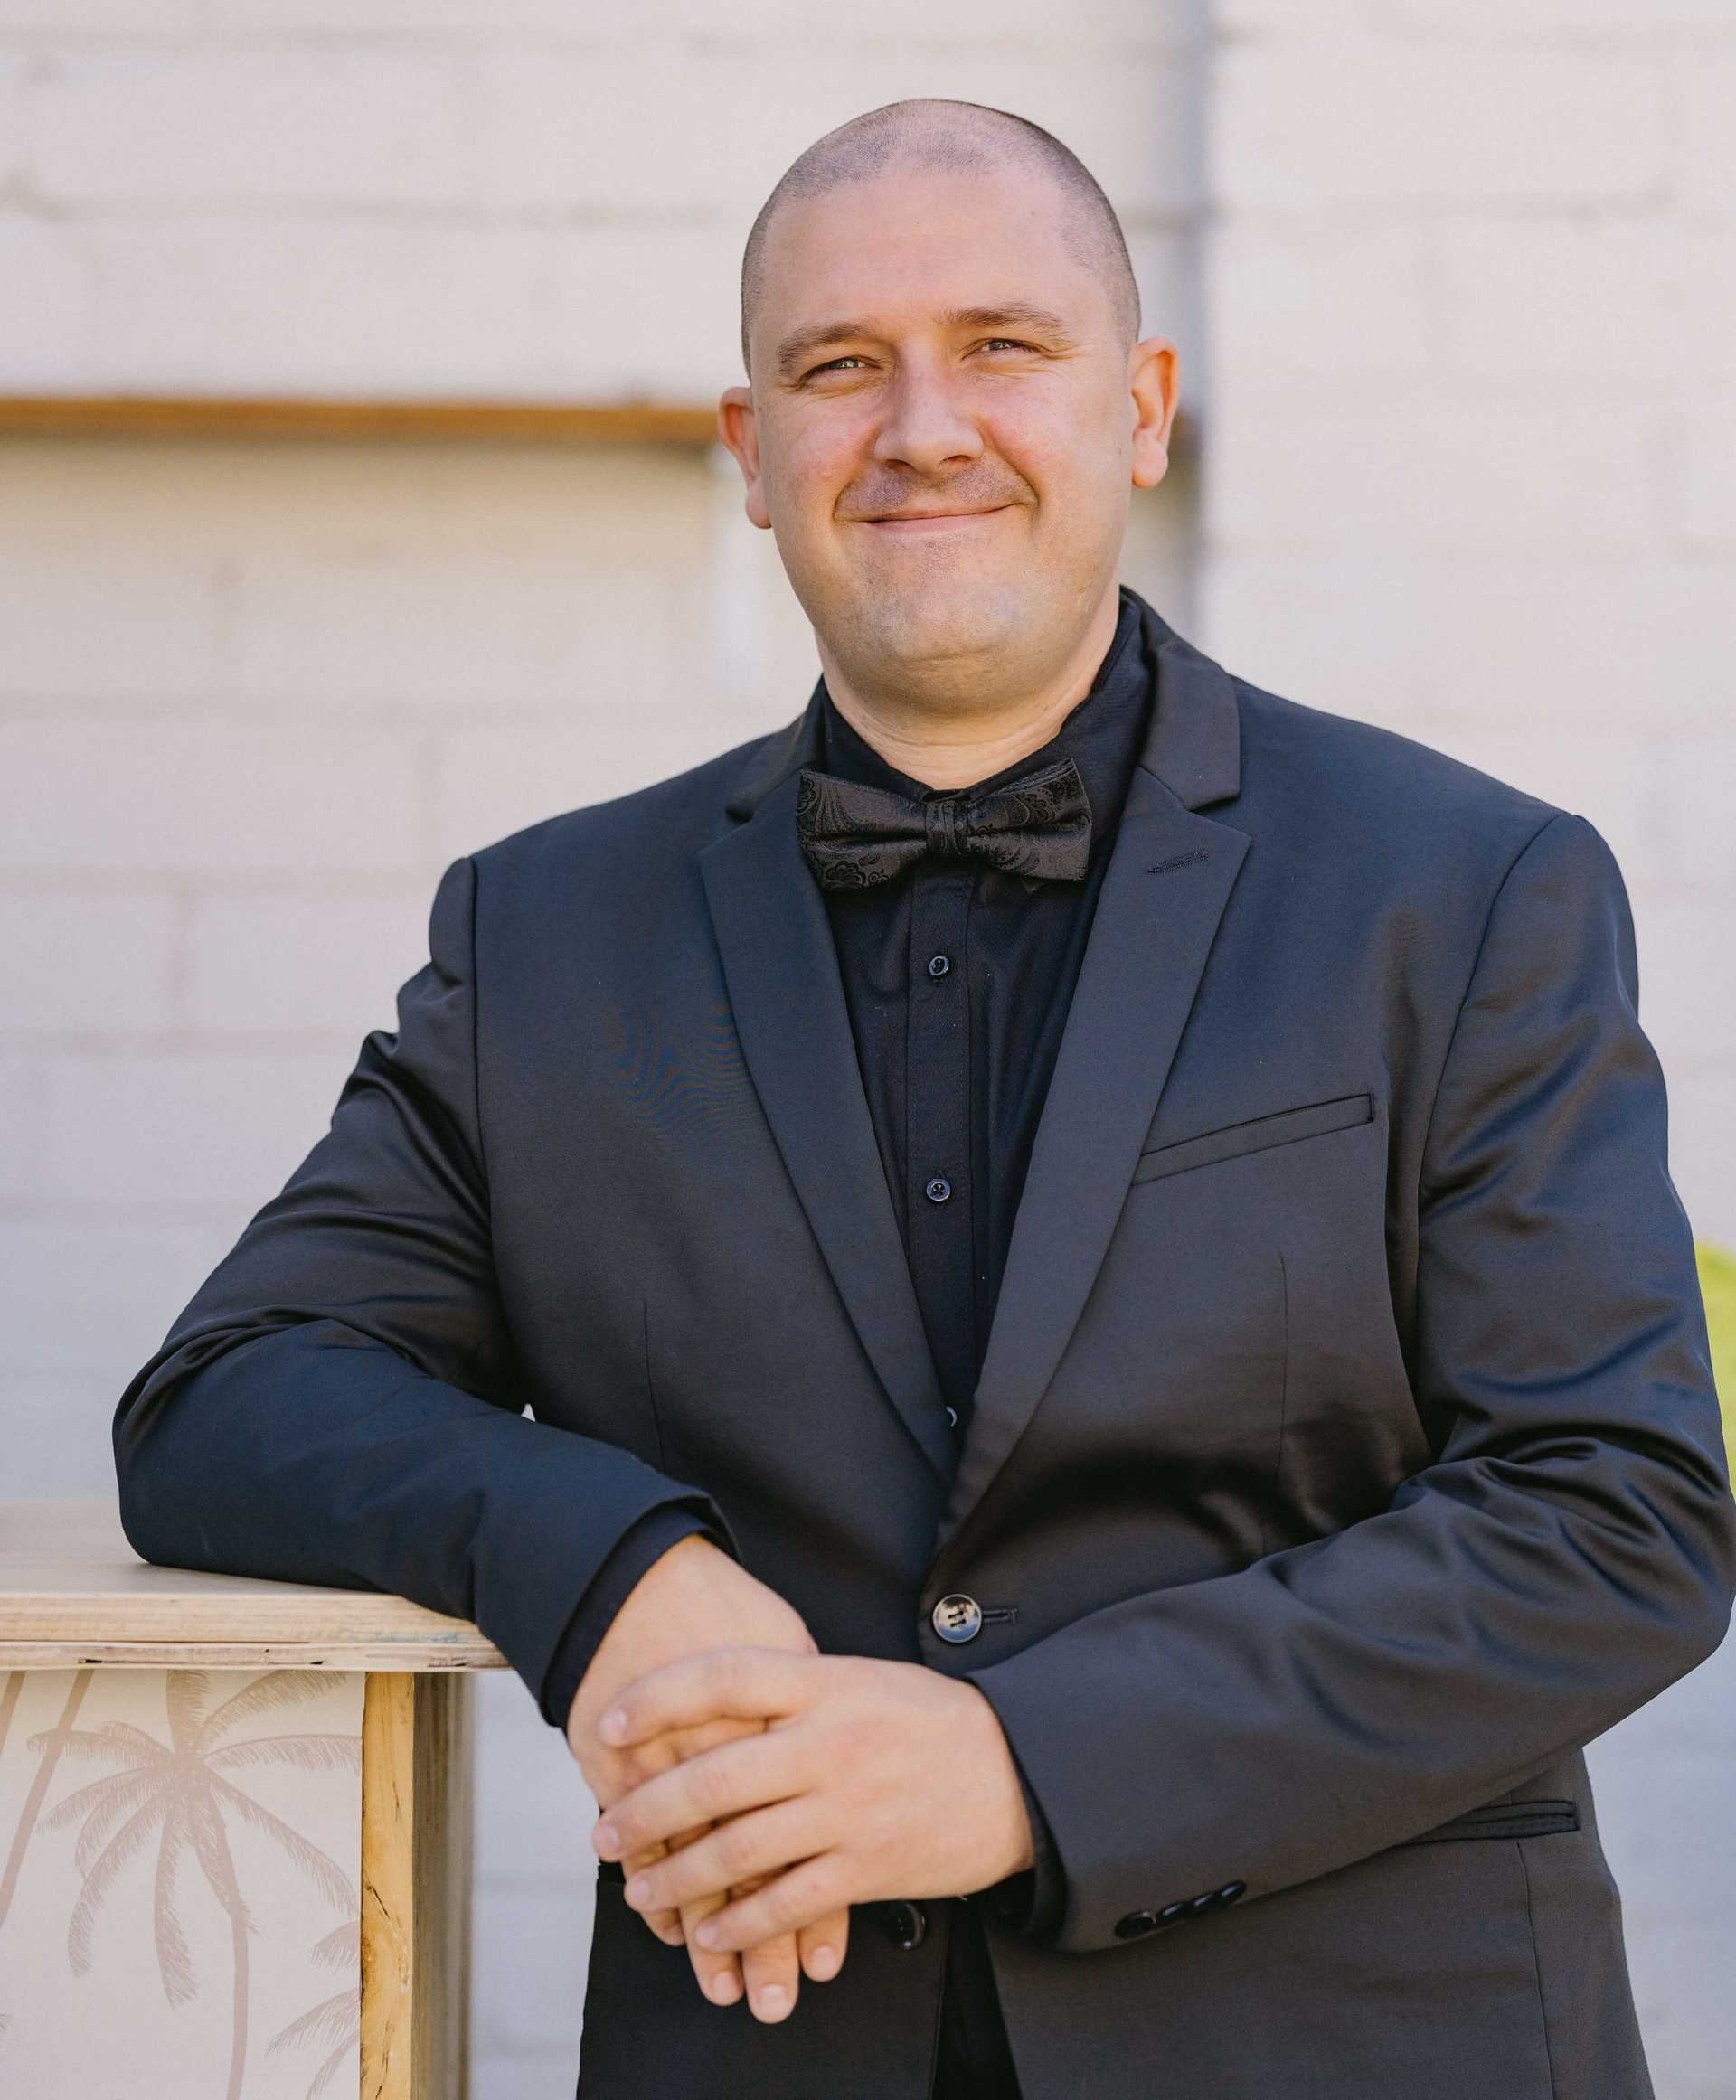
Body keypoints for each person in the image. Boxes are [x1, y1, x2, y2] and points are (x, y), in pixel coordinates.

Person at [113, 99, 1736, 2100]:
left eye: (1001, 346)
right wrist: (611, 1564)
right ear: (753, 451)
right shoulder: (546, 936)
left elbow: (1614, 1517)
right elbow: (230, 1393)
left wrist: (1023, 1764)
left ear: (1141, 408)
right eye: (839, 367)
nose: (922, 428)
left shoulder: (1467, 888)